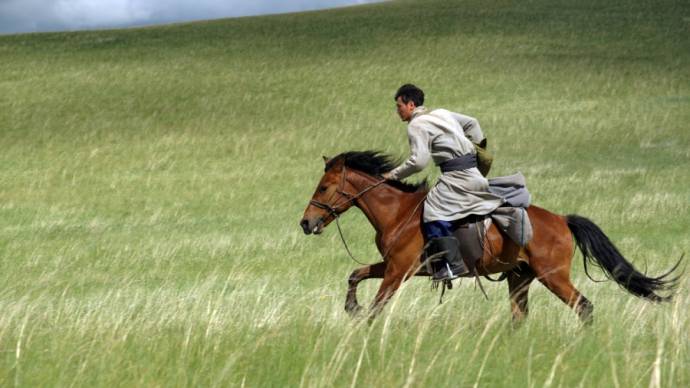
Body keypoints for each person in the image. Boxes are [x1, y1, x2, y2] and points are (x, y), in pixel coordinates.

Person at [382, 84, 504, 281]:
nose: (397, 111)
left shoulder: (416, 125)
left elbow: (419, 162)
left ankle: (451, 265)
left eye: (399, 106)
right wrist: (476, 152)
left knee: (432, 210)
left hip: (457, 176)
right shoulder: (442, 113)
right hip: (473, 172)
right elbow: (472, 123)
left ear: (411, 105)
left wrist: (393, 175)